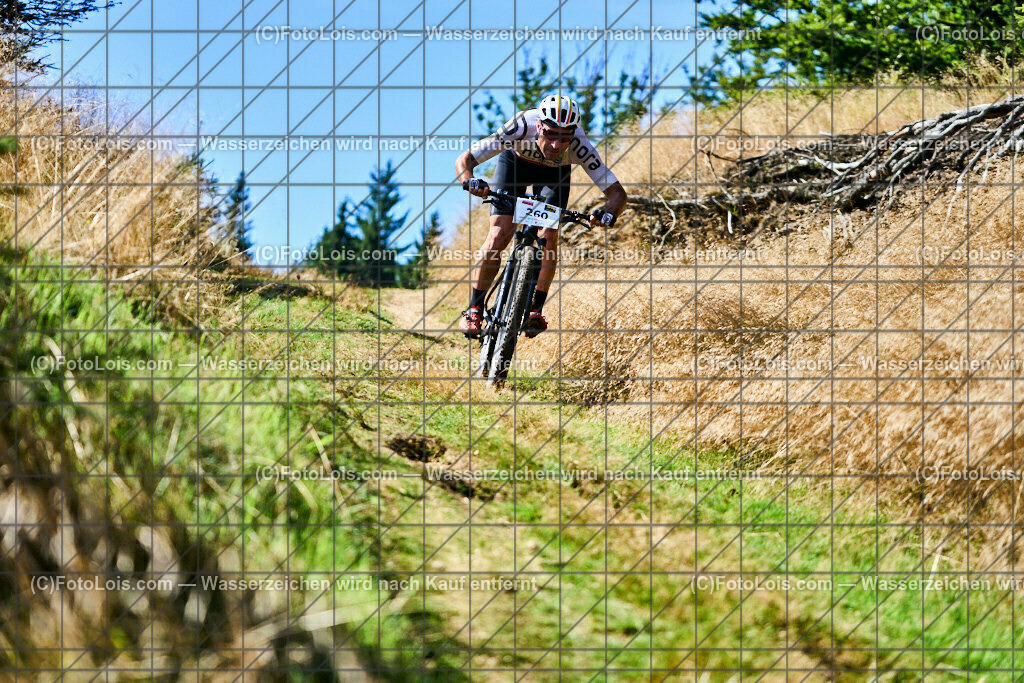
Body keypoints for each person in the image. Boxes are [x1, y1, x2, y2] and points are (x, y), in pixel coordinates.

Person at [454, 93, 627, 338]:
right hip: (515, 164)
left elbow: (617, 193)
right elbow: (465, 159)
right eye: (550, 134)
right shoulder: (521, 125)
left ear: (573, 134)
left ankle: (535, 309)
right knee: (499, 232)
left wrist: (608, 213)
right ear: (539, 126)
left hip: (554, 175)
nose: (556, 145)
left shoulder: (579, 145)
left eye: (564, 138)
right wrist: (470, 181)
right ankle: (474, 310)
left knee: (549, 234)